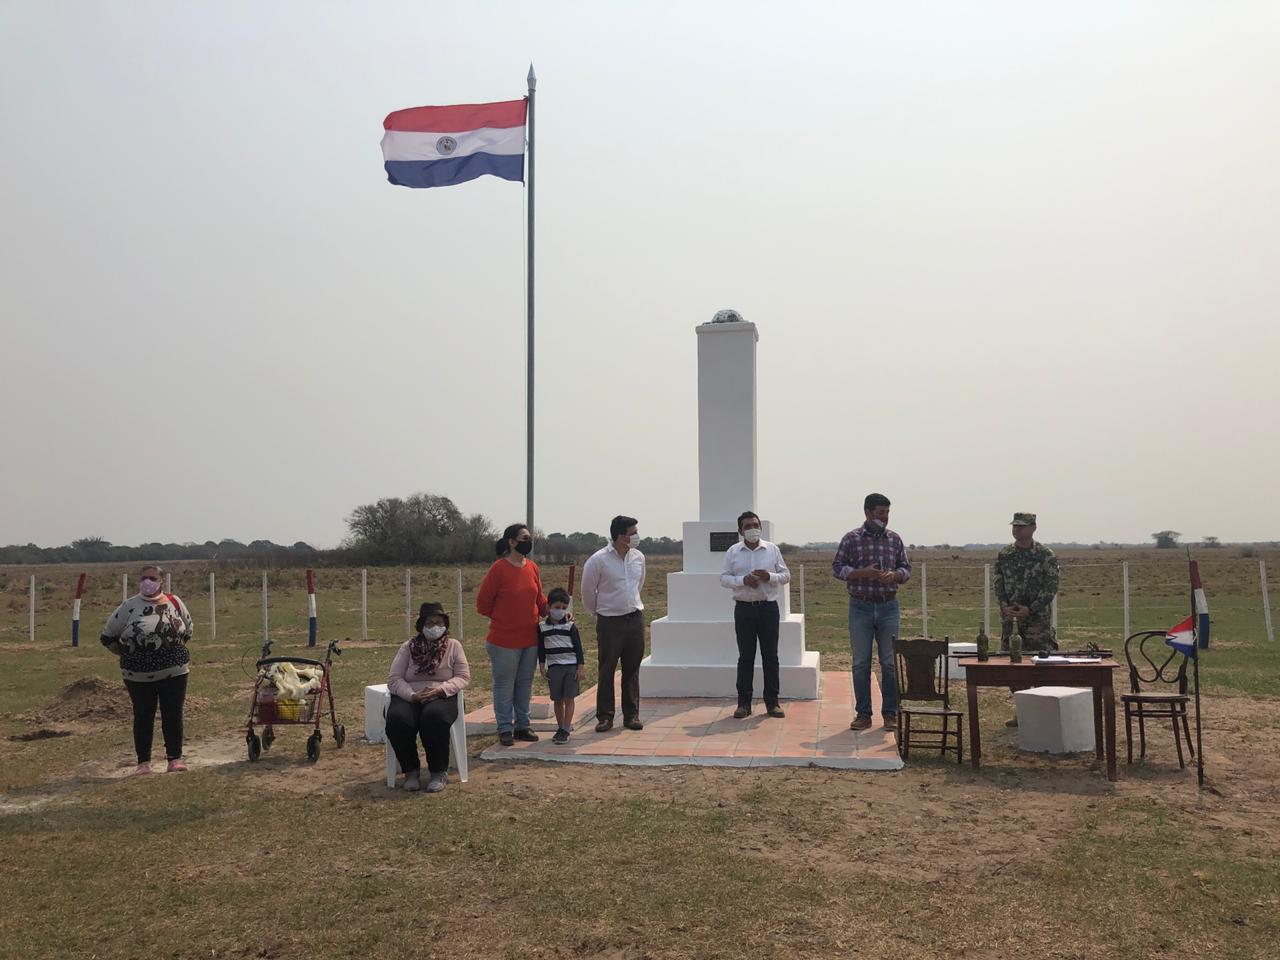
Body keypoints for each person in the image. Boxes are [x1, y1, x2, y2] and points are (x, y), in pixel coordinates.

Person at [100, 565, 194, 775]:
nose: (148, 582)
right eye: (144, 578)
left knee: (173, 713)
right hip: (137, 676)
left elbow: (187, 631)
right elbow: (107, 636)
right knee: (143, 715)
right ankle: (143, 763)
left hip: (175, 672)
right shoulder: (129, 606)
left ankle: (175, 759)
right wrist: (129, 654)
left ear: (161, 581)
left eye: (152, 578)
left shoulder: (174, 602)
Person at [832, 493, 912, 731]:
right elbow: (837, 568)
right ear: (867, 513)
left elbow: (906, 568)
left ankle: (890, 714)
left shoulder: (894, 540)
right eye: (880, 513)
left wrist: (895, 575)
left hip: (889, 606)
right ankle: (863, 714)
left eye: (887, 513)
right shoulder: (851, 539)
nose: (885, 518)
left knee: (889, 662)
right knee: (861, 663)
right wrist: (861, 572)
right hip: (860, 606)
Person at [386, 602, 471, 793]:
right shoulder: (408, 647)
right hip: (411, 695)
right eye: (430, 623)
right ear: (422, 626)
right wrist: (412, 695)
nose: (435, 627)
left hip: (442, 695)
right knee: (397, 719)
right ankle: (411, 770)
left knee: (434, 718)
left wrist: (441, 690)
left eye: (439, 622)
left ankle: (438, 771)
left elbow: (463, 677)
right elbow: (394, 678)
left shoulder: (454, 646)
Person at [476, 522, 548, 746]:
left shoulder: (532, 568)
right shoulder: (498, 569)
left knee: (524, 683)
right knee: (504, 684)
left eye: (530, 538)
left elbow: (540, 600)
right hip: (504, 641)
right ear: (512, 542)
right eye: (524, 538)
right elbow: (483, 604)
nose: (529, 541)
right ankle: (505, 727)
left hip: (530, 639)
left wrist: (558, 611)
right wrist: (504, 618)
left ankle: (523, 725)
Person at [720, 510, 792, 719]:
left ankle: (773, 702)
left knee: (771, 657)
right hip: (743, 609)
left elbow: (786, 575)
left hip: (768, 608)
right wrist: (743, 580)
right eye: (748, 526)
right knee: (746, 657)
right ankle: (744, 703)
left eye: (755, 525)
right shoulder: (733, 552)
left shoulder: (771, 549)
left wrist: (769, 576)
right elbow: (724, 578)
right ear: (740, 531)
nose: (752, 529)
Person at [580, 515, 646, 732]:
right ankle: (605, 716)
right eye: (632, 532)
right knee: (607, 668)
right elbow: (588, 592)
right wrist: (599, 613)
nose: (636, 536)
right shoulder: (598, 560)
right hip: (610, 621)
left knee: (632, 668)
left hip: (634, 618)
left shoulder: (638, 558)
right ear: (620, 536)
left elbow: (639, 584)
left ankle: (631, 715)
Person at [995, 512, 1061, 722]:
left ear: (1033, 528)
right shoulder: (1005, 554)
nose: (1017, 530)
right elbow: (999, 583)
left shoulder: (1045, 555)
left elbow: (1050, 587)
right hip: (1011, 621)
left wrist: (1030, 609)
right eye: (1015, 526)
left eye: (1022, 526)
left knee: (1041, 665)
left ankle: (1042, 712)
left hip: (1036, 621)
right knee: (1012, 665)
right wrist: (1005, 606)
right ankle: (1023, 711)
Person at [538, 587, 586, 744]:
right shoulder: (542, 628)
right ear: (548, 607)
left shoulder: (570, 626)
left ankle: (566, 728)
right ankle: (560, 727)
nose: (560, 611)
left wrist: (580, 666)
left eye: (564, 608)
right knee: (557, 699)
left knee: (569, 698)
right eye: (557, 607)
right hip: (554, 667)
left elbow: (578, 647)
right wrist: (542, 665)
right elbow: (541, 648)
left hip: (571, 666)